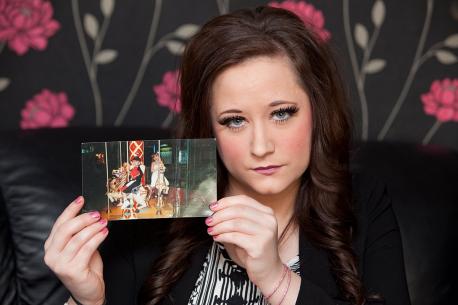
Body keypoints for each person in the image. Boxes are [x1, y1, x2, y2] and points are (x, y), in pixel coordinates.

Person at [43, 6, 411, 305]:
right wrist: (87, 300)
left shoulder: (363, 201)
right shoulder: (157, 194)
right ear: (209, 127)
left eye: (282, 113)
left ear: (316, 109)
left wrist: (274, 277)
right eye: (234, 121)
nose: (261, 145)